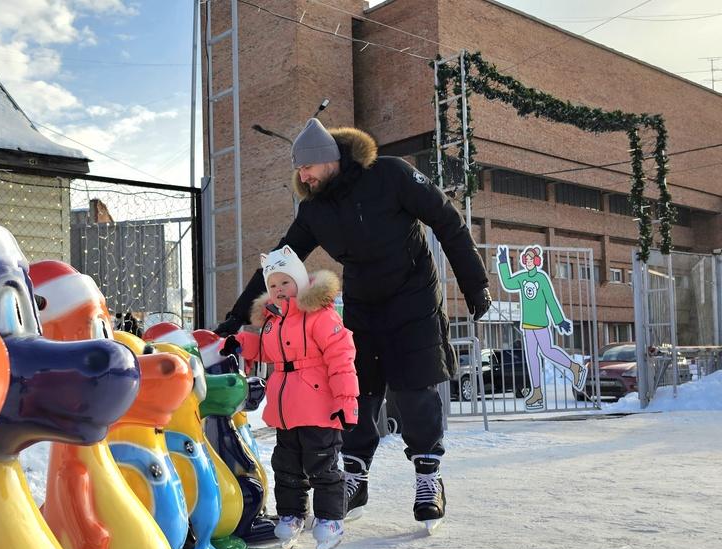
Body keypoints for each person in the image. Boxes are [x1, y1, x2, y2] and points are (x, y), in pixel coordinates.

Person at [215, 118, 491, 527]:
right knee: (356, 392)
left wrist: (475, 285)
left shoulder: (391, 175)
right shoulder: (314, 211)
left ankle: (428, 475)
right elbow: (279, 258)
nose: (302, 176)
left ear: (327, 160)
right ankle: (355, 476)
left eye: (306, 167)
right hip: (364, 301)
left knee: (414, 389)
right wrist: (238, 317)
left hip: (413, 296)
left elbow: (447, 221)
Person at [222, 245, 358, 549]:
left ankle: (330, 519)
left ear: (299, 280)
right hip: (285, 411)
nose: (279, 289)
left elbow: (341, 359)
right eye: (272, 285)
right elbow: (270, 352)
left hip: (319, 409)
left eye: (285, 282)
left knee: (322, 466)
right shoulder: (274, 320)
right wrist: (242, 342)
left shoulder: (320, 317)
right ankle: (292, 514)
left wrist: (346, 402)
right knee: (286, 467)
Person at [496, 244, 587, 410]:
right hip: (527, 325)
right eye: (526, 259)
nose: (528, 261)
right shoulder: (522, 278)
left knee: (547, 351)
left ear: (536, 261)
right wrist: (503, 263)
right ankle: (537, 392)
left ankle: (575, 368)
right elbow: (508, 283)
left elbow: (551, 300)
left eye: (531, 259)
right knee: (532, 358)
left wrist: (559, 320)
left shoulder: (542, 278)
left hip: (541, 324)